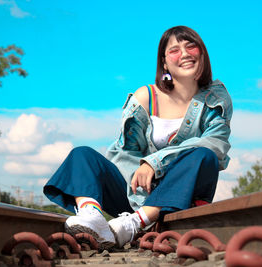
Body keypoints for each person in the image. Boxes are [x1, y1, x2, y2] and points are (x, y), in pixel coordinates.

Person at [43, 25, 232, 249]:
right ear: (164, 62)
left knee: (204, 155)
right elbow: (124, 153)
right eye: (174, 50)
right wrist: (141, 177)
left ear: (202, 53)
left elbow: (215, 143)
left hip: (180, 196)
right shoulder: (146, 97)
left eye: (191, 47)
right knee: (82, 155)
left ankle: (135, 223)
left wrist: (154, 163)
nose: (184, 54)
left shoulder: (216, 98)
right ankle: (92, 216)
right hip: (136, 194)